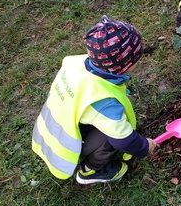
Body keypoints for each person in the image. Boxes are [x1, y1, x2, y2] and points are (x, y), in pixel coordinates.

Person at [32, 16, 157, 184]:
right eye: (136, 58)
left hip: (49, 130)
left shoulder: (76, 63)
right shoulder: (103, 101)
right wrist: (144, 146)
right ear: (124, 66)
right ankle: (91, 170)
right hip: (63, 146)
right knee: (111, 136)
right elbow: (123, 138)